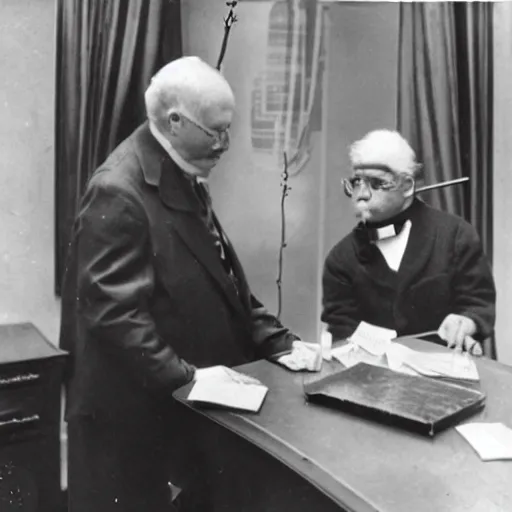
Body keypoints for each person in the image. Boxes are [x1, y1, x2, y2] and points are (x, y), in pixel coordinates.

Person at [59, 56, 316, 512]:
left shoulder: (180, 169)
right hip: (133, 429)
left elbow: (222, 281)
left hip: (176, 415)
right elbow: (115, 317)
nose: (226, 144)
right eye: (216, 131)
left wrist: (280, 342)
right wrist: (192, 378)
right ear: (175, 122)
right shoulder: (119, 190)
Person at [321, 129, 496, 355]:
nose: (361, 194)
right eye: (357, 182)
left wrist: (466, 322)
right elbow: (341, 330)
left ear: (407, 186)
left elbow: (479, 304)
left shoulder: (456, 236)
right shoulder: (341, 259)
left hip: (446, 374)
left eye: (376, 183)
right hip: (374, 379)